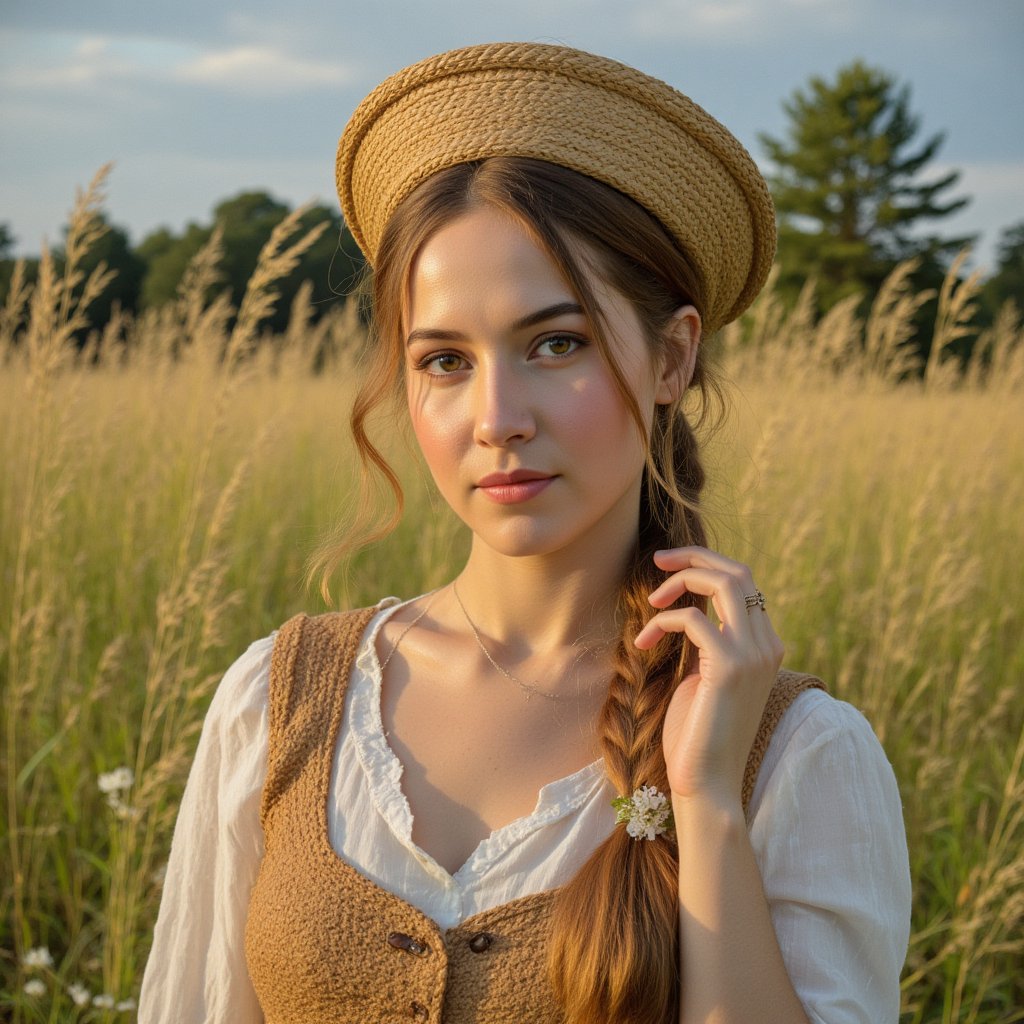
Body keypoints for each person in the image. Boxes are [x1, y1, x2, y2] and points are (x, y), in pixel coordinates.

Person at [139, 41, 911, 1024]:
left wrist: (707, 804)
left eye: (556, 343)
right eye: (445, 360)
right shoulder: (278, 700)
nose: (496, 415)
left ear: (672, 357)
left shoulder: (798, 756)